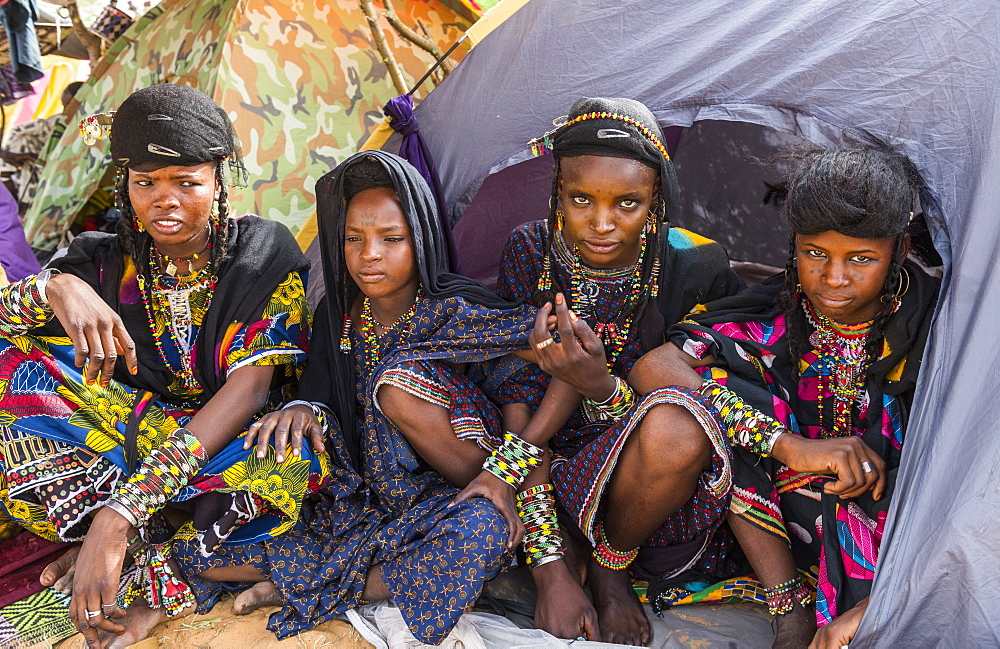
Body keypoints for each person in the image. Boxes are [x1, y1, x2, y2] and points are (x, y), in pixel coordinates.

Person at [171, 151, 575, 645]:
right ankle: (340, 582)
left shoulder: (456, 310)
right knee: (204, 555)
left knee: (481, 531)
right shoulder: (337, 320)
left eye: (391, 239)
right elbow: (315, 395)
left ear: (421, 238)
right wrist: (300, 408)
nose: (369, 255)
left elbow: (570, 362)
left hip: (443, 504)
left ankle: (305, 586)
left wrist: (505, 474)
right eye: (353, 240)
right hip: (355, 506)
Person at [0, 83, 327, 649]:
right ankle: (134, 537)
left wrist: (120, 514)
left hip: (223, 453)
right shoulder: (103, 259)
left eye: (186, 182)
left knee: (295, 460)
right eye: (145, 182)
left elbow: (248, 394)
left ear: (219, 181)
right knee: (13, 371)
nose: (163, 200)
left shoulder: (262, 256)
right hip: (125, 438)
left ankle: (154, 573)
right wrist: (57, 287)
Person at [471, 96, 744, 645]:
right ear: (556, 194)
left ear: (657, 201)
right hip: (534, 447)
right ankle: (559, 557)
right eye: (580, 199)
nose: (600, 224)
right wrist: (549, 568)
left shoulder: (693, 266)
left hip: (642, 473)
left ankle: (610, 573)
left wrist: (597, 385)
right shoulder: (532, 252)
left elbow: (684, 400)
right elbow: (519, 396)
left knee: (680, 429)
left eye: (628, 203)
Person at [647, 147, 938, 648]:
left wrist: (880, 604)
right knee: (712, 395)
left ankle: (871, 603)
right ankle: (790, 607)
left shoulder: (938, 328)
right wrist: (788, 445)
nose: (834, 278)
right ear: (794, 245)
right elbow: (654, 366)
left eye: (862, 258)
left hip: (901, 529)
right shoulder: (779, 311)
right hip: (782, 529)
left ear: (899, 247)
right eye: (815, 253)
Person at [1, 81, 83, 211]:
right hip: (36, 161)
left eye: (68, 107)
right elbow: (19, 131)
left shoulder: (80, 126)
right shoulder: (57, 121)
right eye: (64, 107)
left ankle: (8, 176)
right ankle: (8, 174)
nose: (65, 112)